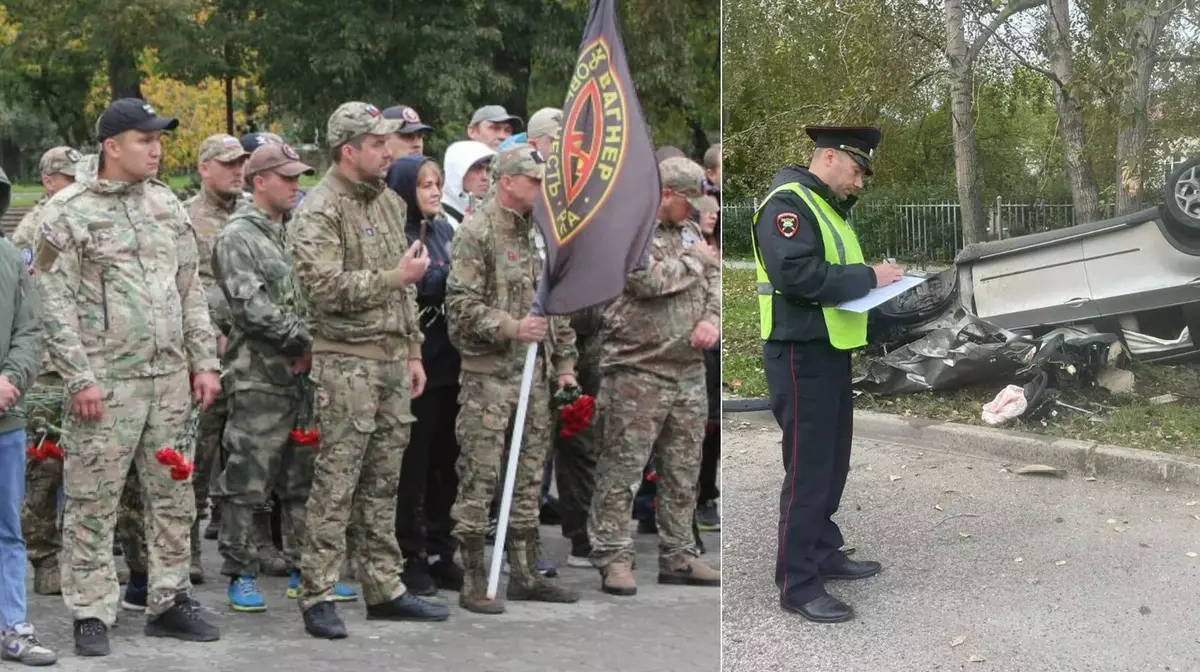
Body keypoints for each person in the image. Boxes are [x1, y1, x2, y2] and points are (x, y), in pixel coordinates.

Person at [34, 98, 223, 655]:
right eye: (145, 139)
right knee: (94, 499)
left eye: (159, 138)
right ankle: (91, 609)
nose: (157, 149)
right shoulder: (67, 212)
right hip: (105, 384)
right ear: (112, 147)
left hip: (167, 381)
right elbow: (52, 302)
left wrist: (203, 362)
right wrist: (78, 378)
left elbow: (190, 289)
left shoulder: (166, 204)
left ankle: (169, 597)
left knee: (172, 494)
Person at [289, 101, 449, 639]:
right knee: (337, 483)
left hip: (388, 361)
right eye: (379, 144)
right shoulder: (321, 208)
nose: (390, 151)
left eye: (390, 142)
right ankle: (318, 593)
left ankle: (384, 586)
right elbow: (322, 289)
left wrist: (411, 351)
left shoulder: (384, 201)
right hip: (346, 363)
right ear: (348, 150)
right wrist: (392, 278)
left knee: (384, 481)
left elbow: (405, 293)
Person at [753, 125, 902, 623]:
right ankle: (798, 583)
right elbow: (796, 276)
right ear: (830, 157)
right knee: (809, 471)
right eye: (857, 170)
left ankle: (822, 548)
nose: (860, 182)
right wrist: (871, 277)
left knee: (833, 462)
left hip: (829, 350)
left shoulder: (826, 206)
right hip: (799, 354)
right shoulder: (788, 204)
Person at [211, 142, 359, 612]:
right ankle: (240, 571)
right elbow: (250, 308)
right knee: (248, 478)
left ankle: (305, 569)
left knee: (303, 480)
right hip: (259, 376)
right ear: (260, 181)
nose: (297, 186)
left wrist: (315, 343)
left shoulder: (294, 232)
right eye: (288, 178)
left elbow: (319, 291)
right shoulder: (239, 236)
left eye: (299, 179)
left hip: (302, 380)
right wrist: (305, 342)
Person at [444, 144, 580, 614]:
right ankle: (474, 577)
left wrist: (564, 365)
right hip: (489, 378)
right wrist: (510, 327)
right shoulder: (476, 231)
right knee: (480, 475)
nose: (543, 191)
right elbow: (459, 308)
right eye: (535, 182)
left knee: (528, 479)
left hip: (535, 376)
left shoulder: (541, 233)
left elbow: (554, 305)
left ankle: (524, 573)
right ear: (507, 182)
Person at [588, 157, 722, 596]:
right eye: (690, 201)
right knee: (621, 468)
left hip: (686, 369)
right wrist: (696, 263)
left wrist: (712, 319)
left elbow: (714, 274)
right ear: (666, 194)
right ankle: (613, 556)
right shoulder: (629, 228)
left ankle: (679, 555)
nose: (699, 211)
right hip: (637, 369)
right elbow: (644, 280)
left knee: (684, 468)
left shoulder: (686, 233)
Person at [385, 155, 465, 596]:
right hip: (414, 367)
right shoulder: (397, 235)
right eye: (423, 185)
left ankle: (440, 549)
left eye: (438, 183)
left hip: (449, 363)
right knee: (411, 468)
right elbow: (409, 288)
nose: (434, 192)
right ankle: (408, 554)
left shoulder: (444, 231)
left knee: (445, 465)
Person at [182, 134, 254, 586]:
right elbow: (181, 285)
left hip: (253, 356)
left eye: (241, 163)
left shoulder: (253, 214)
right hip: (207, 356)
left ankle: (243, 546)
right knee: (197, 457)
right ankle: (187, 550)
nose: (237, 171)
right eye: (228, 163)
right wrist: (207, 338)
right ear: (204, 167)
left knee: (248, 455)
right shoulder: (184, 217)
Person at [11, 146, 79, 598]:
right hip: (48, 369)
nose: (74, 185)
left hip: (85, 361)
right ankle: (45, 559)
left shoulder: (83, 217)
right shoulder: (34, 228)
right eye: (66, 177)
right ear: (49, 179)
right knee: (44, 466)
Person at [0, 165, 57, 666]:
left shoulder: (9, 258)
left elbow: (29, 328)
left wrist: (11, 379)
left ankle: (13, 624)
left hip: (5, 421)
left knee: (8, 531)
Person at [441, 141, 495, 228]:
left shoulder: (493, 212)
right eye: (477, 169)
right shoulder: (440, 218)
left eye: (488, 169)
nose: (485, 177)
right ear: (457, 171)